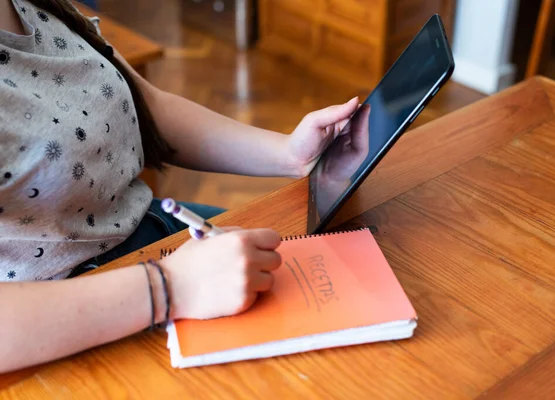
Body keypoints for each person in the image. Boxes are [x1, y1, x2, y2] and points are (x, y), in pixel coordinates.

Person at [0, 0, 359, 373]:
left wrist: (288, 153)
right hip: (72, 321)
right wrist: (171, 287)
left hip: (156, 241)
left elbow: (147, 106)